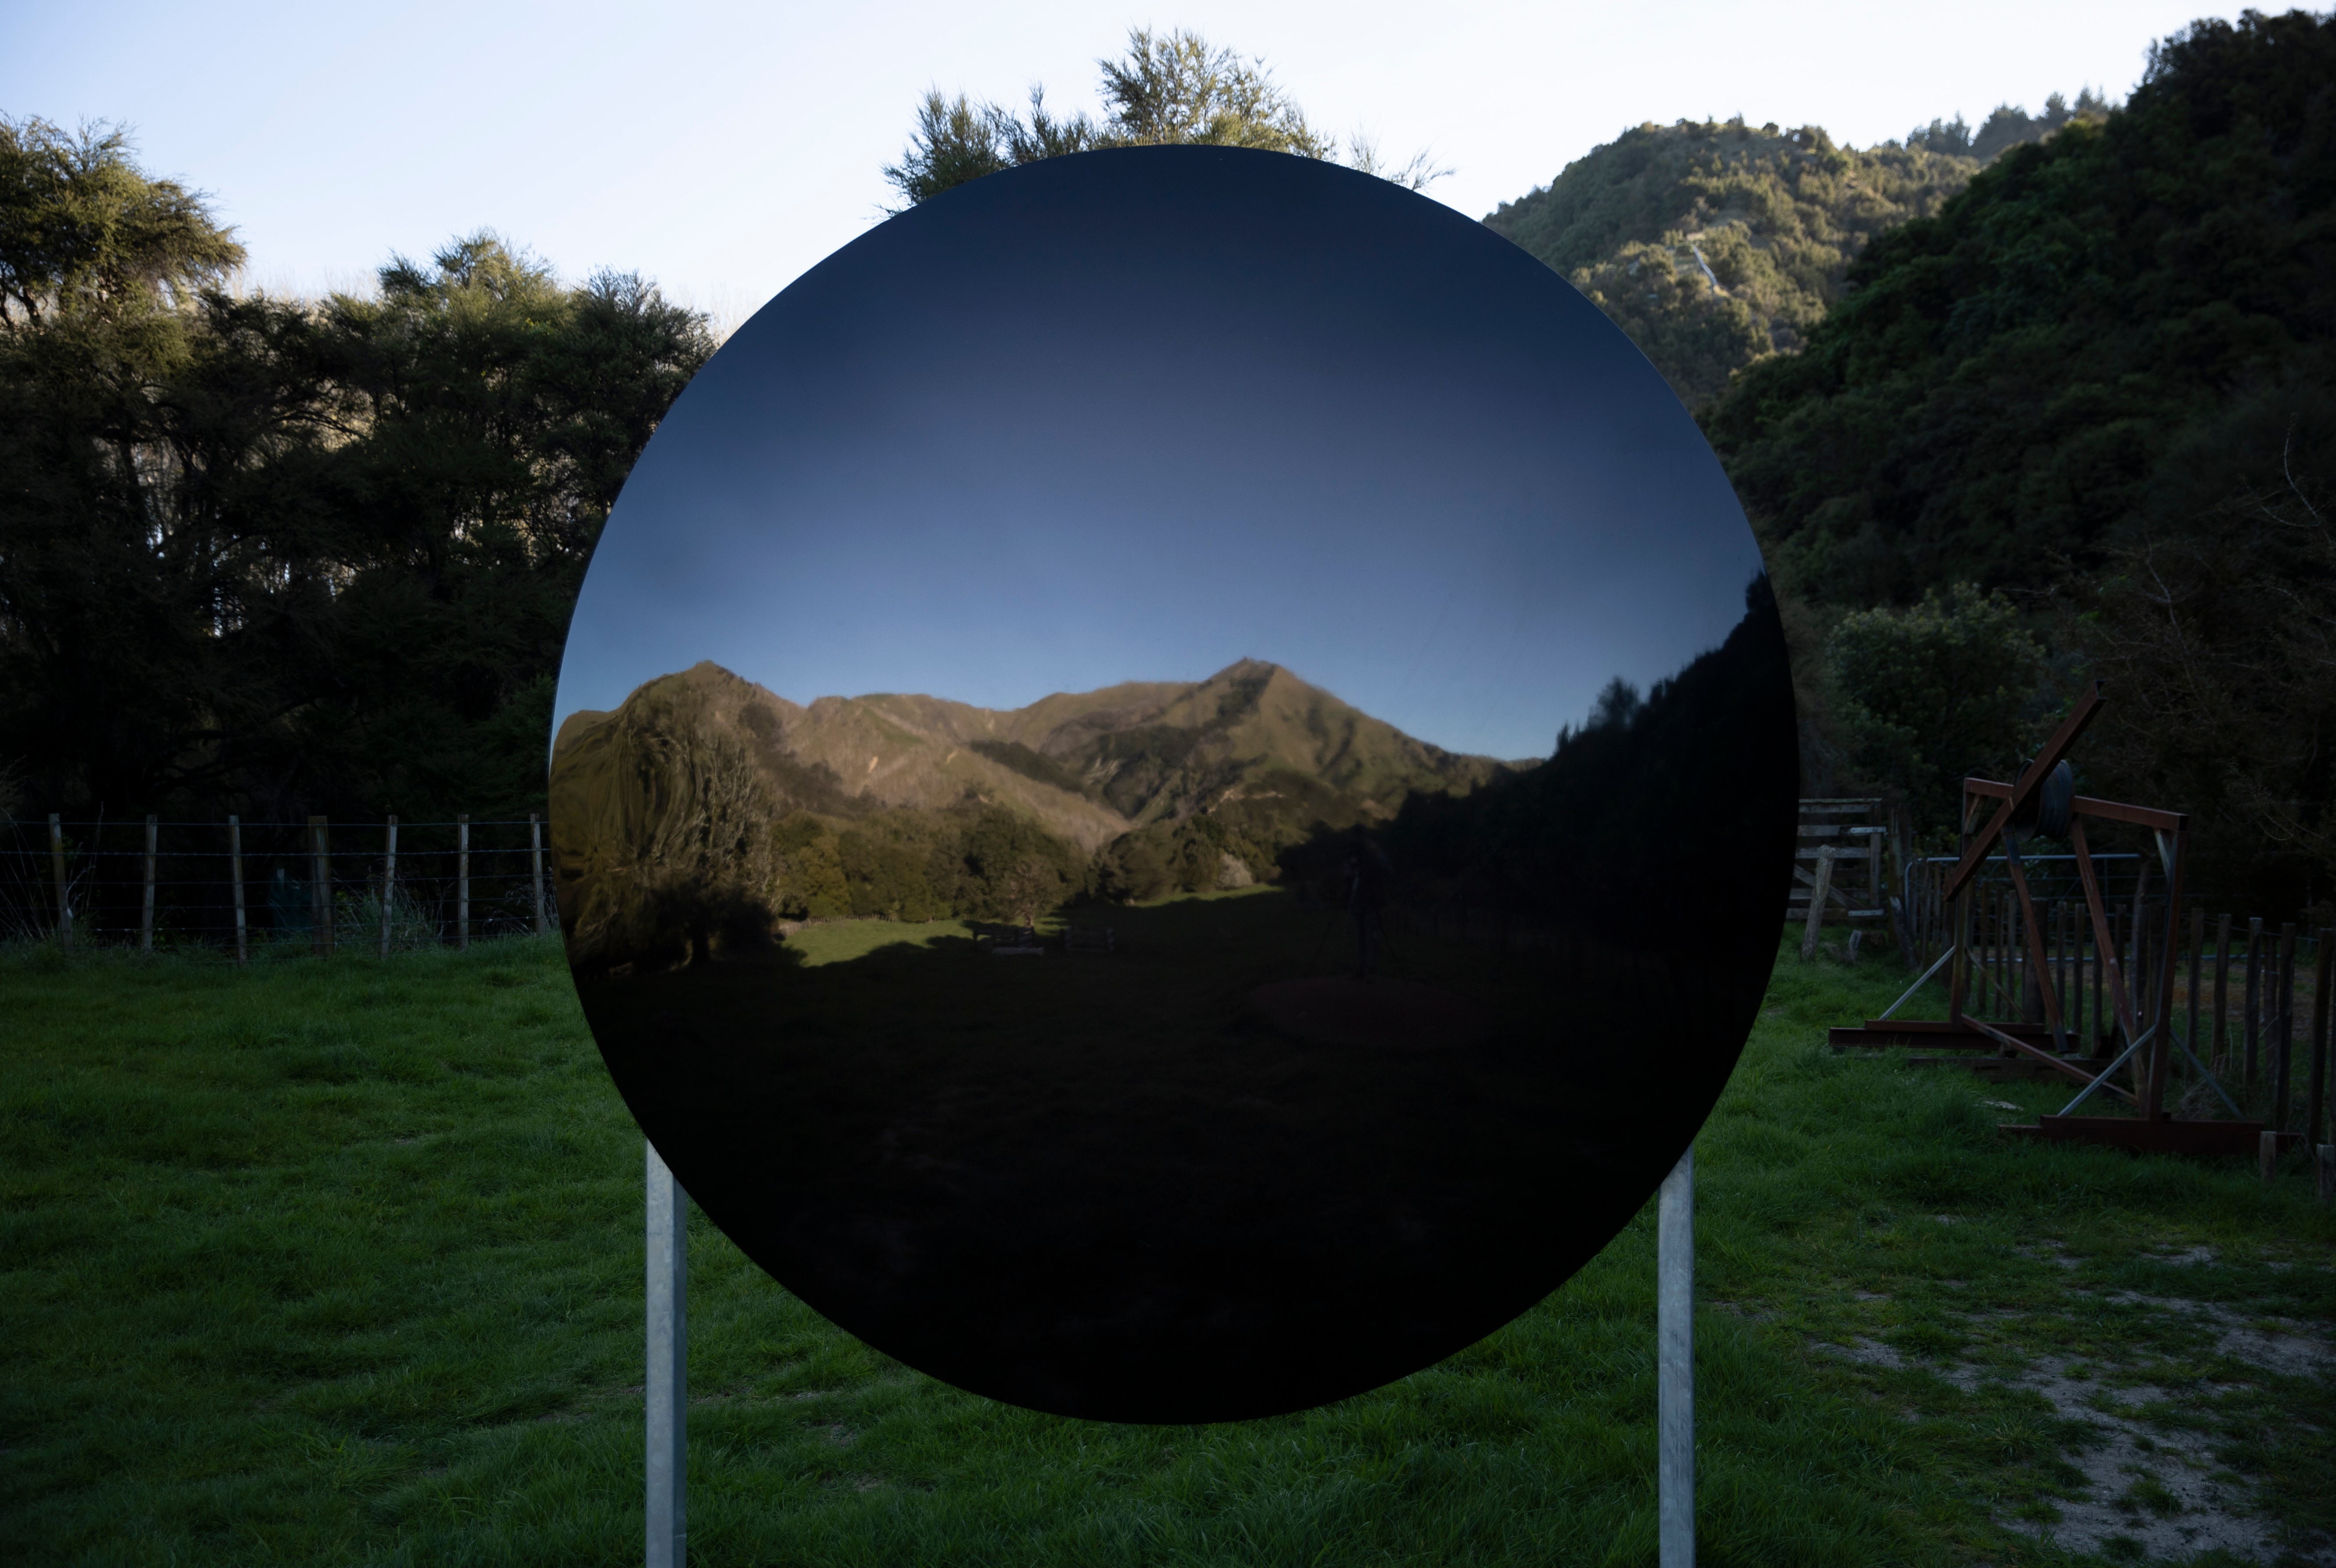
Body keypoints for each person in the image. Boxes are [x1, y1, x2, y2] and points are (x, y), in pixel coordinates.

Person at [1345, 833, 1393, 979]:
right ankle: (1363, 968)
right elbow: (1350, 873)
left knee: (1370, 935)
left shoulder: (1375, 857)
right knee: (1363, 935)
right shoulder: (1364, 858)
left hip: (1371, 900)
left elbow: (1387, 872)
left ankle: (1371, 969)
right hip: (1361, 899)